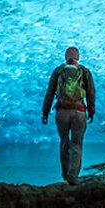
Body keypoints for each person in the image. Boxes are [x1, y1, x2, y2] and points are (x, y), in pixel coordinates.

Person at [41, 46, 96, 185]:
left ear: (66, 56)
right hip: (79, 112)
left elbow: (49, 93)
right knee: (76, 144)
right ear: (78, 57)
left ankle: (65, 174)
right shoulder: (85, 71)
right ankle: (73, 175)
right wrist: (91, 111)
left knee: (64, 141)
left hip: (62, 112)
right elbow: (91, 93)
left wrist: (45, 112)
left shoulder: (58, 71)